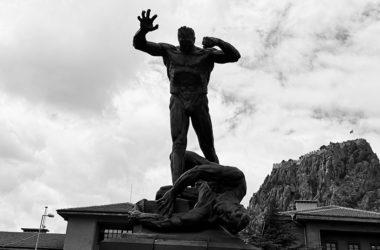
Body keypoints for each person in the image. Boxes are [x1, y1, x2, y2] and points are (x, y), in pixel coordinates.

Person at [133, 9, 241, 183]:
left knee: (208, 146)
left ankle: (220, 184)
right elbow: (140, 45)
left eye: (188, 44)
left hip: (199, 100)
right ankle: (176, 188)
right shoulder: (169, 51)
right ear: (178, 41)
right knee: (178, 143)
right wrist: (143, 30)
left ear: (194, 40)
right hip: (178, 99)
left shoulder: (206, 54)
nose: (185, 47)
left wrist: (218, 41)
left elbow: (235, 56)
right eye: (182, 44)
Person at [130, 151, 250, 234]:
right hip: (205, 173)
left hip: (201, 192)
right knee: (179, 156)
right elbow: (199, 171)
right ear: (239, 206)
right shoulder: (238, 181)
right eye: (227, 214)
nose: (221, 215)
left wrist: (140, 216)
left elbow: (169, 222)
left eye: (224, 220)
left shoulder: (205, 213)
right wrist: (173, 192)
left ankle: (186, 191)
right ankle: (182, 186)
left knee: (161, 193)